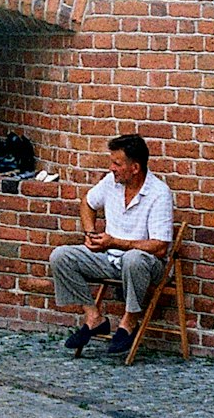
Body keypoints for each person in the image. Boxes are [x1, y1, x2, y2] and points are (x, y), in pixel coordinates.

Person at [49, 134, 173, 357]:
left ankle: (129, 322)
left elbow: (160, 247)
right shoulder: (111, 182)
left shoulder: (159, 193)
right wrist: (90, 233)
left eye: (117, 163)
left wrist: (116, 242)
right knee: (61, 256)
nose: (112, 168)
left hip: (146, 264)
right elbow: (87, 202)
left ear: (134, 167)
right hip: (109, 257)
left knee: (133, 258)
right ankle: (93, 317)